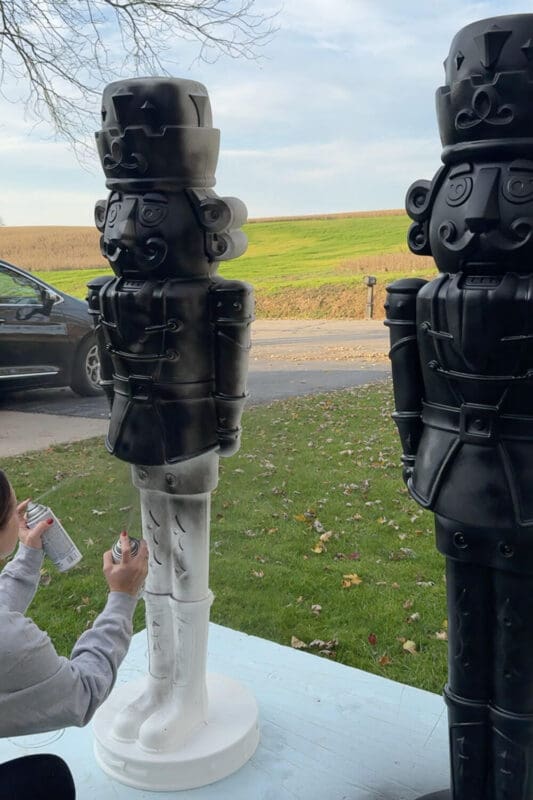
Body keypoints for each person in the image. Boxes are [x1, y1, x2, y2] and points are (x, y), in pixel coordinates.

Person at [0, 468, 149, 799]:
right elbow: (83, 691)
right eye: (13, 507)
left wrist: (28, 555)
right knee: (48, 779)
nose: (20, 513)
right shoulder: (13, 645)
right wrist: (123, 598)